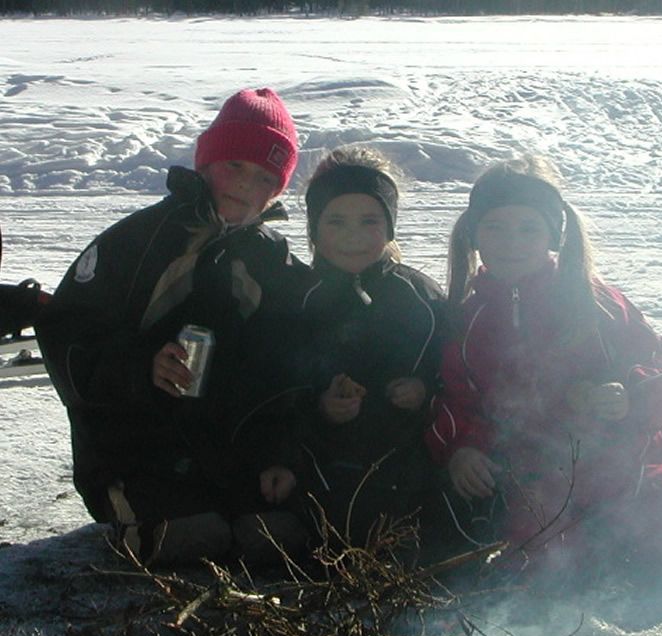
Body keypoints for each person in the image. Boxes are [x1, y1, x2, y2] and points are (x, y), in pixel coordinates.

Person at [425, 155, 662, 599]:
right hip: (531, 475)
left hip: (620, 465)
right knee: (537, 572)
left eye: (528, 228)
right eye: (495, 227)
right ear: (474, 234)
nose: (510, 242)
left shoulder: (594, 302)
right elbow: (456, 398)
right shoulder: (469, 317)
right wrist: (461, 449)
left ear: (553, 235)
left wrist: (629, 396)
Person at [36, 87, 312, 567]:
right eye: (235, 165)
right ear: (206, 162)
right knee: (191, 537)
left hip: (227, 449)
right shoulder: (138, 242)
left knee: (275, 536)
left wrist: (281, 453)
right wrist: (142, 366)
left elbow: (294, 361)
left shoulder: (272, 257)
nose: (246, 186)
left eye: (266, 177)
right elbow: (68, 338)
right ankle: (141, 513)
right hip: (132, 449)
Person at [294, 146, 446, 550]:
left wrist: (423, 391)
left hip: (405, 462)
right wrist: (322, 406)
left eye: (369, 221)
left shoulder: (420, 296)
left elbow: (453, 371)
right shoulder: (298, 298)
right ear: (314, 228)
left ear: (390, 226)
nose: (353, 235)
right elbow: (276, 385)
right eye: (336, 221)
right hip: (322, 463)